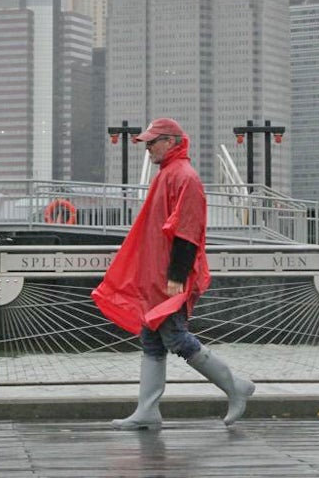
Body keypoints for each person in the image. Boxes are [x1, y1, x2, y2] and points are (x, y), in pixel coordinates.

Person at [92, 117, 255, 429]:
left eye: (153, 141)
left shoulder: (183, 177)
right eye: (148, 142)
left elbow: (187, 232)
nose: (148, 148)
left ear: (171, 142)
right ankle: (148, 411)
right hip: (158, 276)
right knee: (152, 338)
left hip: (170, 277)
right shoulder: (171, 175)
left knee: (175, 337)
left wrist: (176, 277)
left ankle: (234, 385)